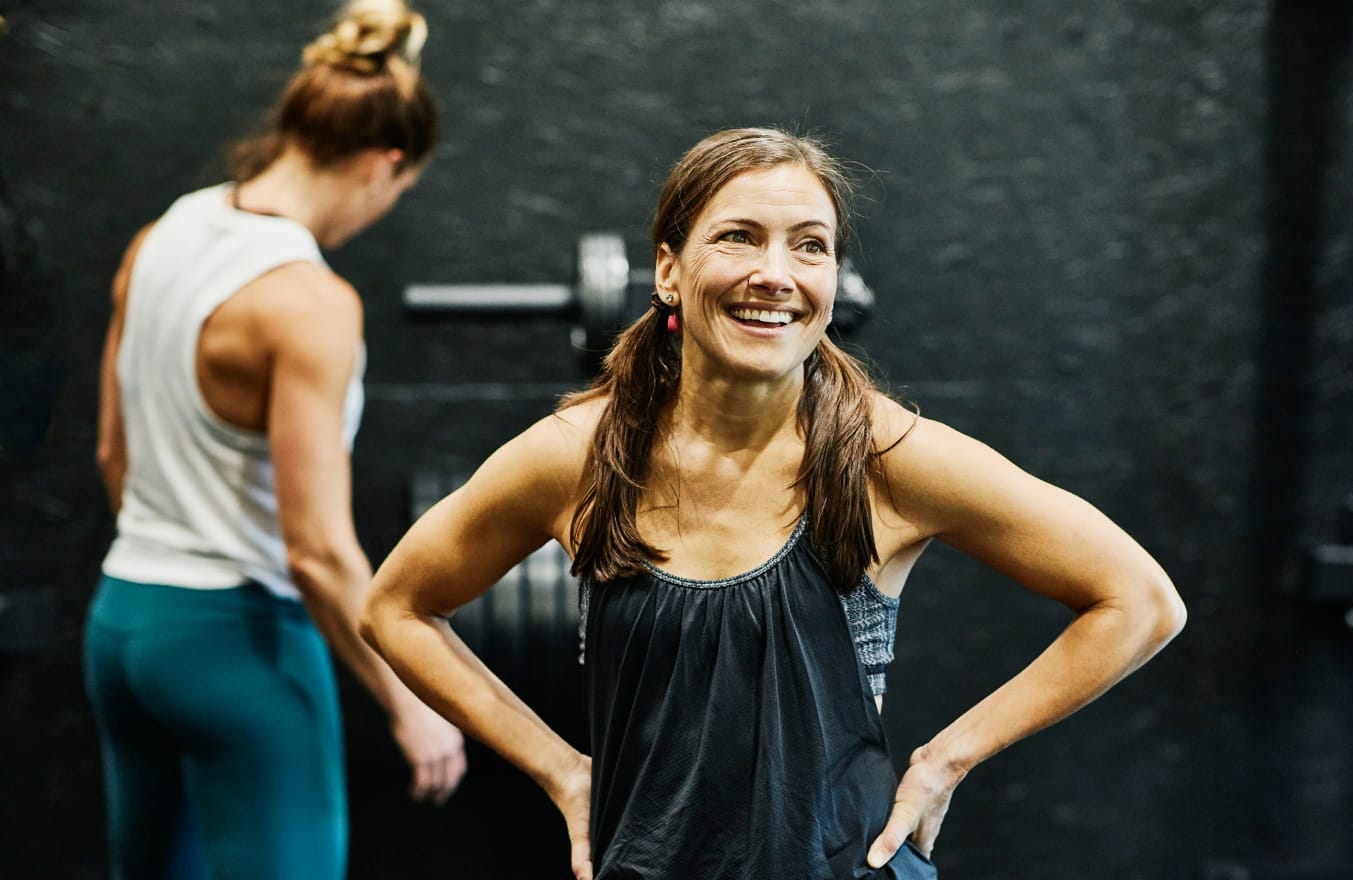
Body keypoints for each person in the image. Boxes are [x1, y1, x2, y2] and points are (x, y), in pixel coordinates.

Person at [361, 127, 1186, 880]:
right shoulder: (579, 456)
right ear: (668, 270)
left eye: (810, 247)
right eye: (738, 238)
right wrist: (564, 772)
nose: (776, 275)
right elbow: (396, 607)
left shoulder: (884, 458)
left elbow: (1140, 601)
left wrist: (949, 758)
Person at [86, 2, 464, 877]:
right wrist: (410, 702)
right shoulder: (309, 302)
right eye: (397, 197)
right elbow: (318, 552)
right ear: (385, 165)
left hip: (123, 627)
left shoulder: (163, 235)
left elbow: (114, 457)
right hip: (239, 648)